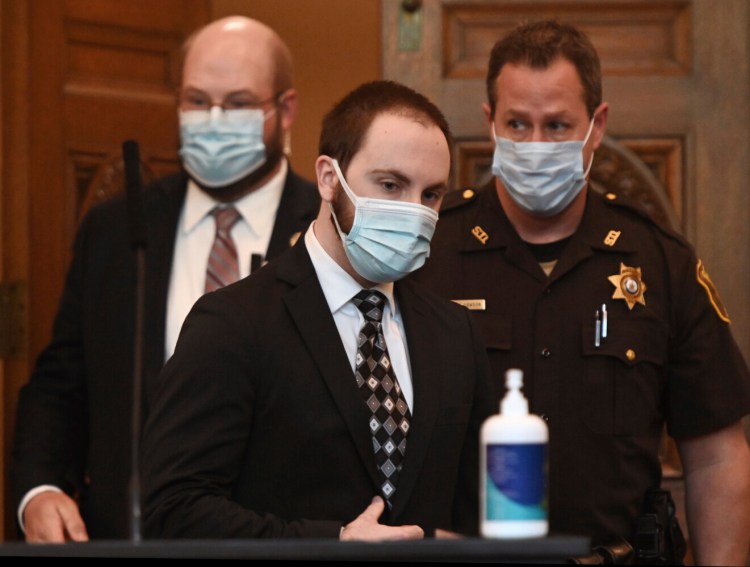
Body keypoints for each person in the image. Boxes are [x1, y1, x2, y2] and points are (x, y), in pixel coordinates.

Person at [410, 20, 750, 565]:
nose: (536, 145)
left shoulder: (660, 260)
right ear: (489, 122)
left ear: (597, 126)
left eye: (557, 125)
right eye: (517, 124)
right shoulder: (428, 254)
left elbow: (716, 455)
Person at [11, 15, 320, 542]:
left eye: (239, 104)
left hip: (277, 539)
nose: (214, 119)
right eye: (197, 101)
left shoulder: (325, 229)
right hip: (126, 538)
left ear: (285, 110)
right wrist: (38, 490)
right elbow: (61, 383)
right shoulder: (116, 230)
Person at [140, 79, 493, 540]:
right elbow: (174, 509)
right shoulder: (233, 323)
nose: (414, 212)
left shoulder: (454, 332)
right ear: (329, 177)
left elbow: (474, 509)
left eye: (430, 195)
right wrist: (334, 542)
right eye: (391, 185)